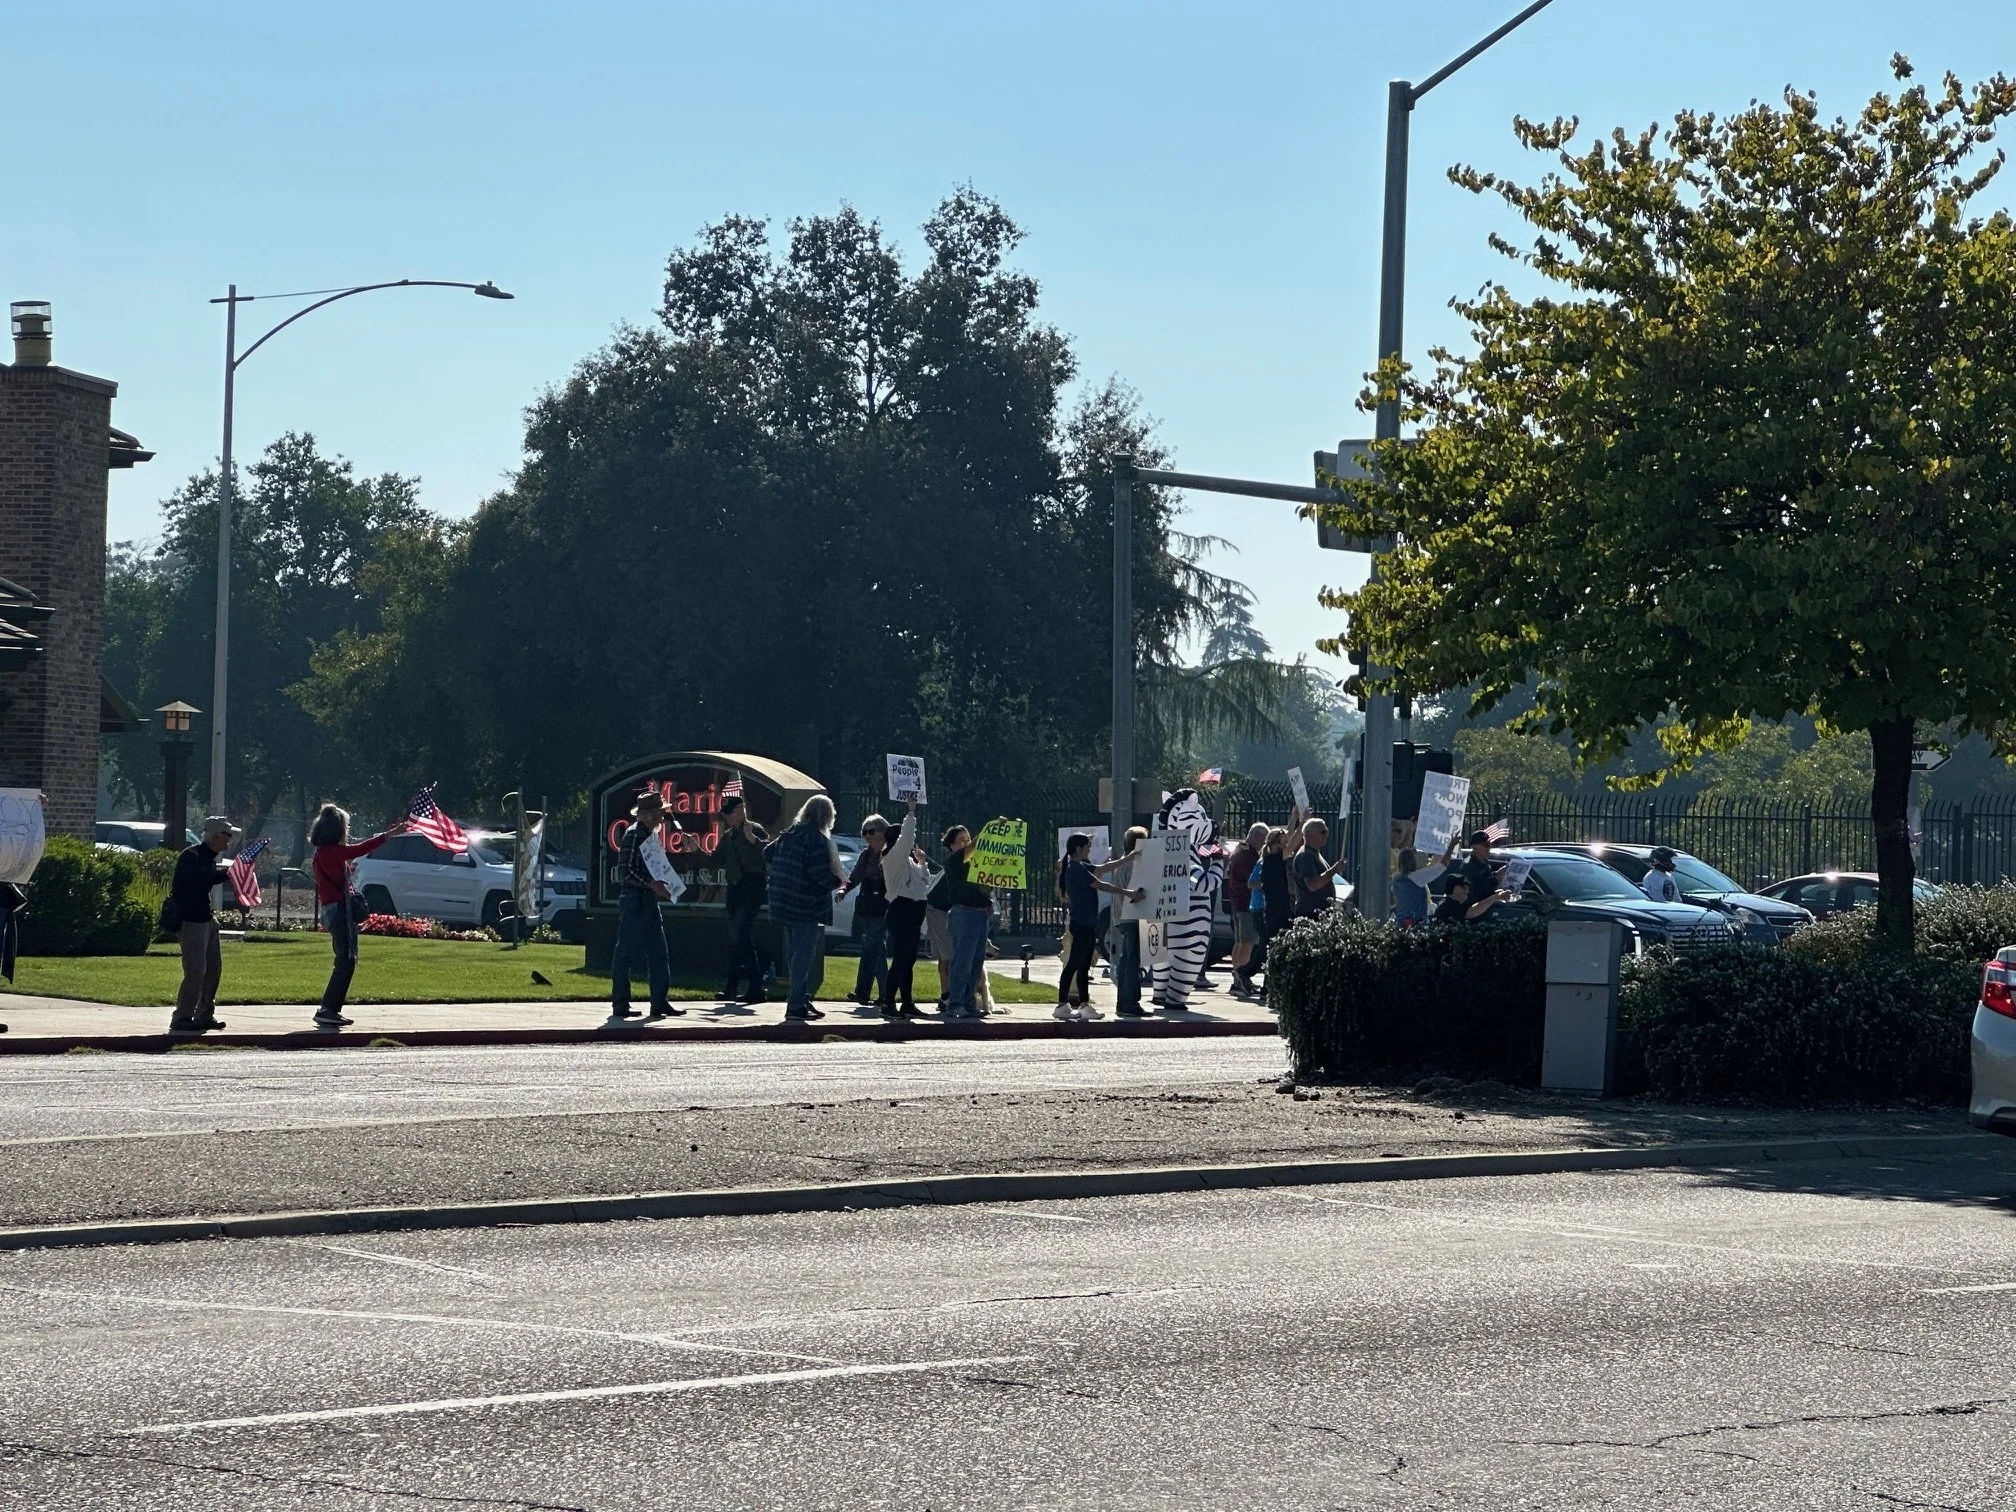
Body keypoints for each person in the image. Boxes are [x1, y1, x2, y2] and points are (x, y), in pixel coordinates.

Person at [308, 805, 407, 1031]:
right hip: (340, 910)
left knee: (345, 958)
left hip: (332, 910)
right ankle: (328, 1009)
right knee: (346, 959)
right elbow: (361, 848)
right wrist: (389, 835)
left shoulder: (321, 853)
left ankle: (331, 1009)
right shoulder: (333, 852)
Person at [765, 795, 846, 1023]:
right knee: (803, 955)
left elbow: (767, 853)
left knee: (794, 954)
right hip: (805, 905)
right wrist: (838, 881)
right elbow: (819, 875)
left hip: (782, 901)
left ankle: (800, 996)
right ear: (827, 817)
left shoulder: (789, 834)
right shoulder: (817, 840)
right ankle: (796, 1005)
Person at [609, 791, 681, 1023]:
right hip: (634, 900)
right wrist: (651, 883)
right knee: (626, 952)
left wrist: (661, 884)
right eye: (660, 813)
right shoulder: (633, 835)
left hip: (648, 899)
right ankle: (620, 1003)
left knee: (659, 952)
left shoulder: (648, 836)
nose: (662, 818)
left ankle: (659, 1002)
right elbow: (625, 872)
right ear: (648, 815)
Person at [1055, 834, 1143, 1020]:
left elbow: (1103, 869)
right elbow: (1100, 885)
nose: (1090, 849)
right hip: (1081, 923)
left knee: (1084, 965)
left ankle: (1084, 1005)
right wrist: (1127, 892)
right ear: (1078, 849)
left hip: (1086, 923)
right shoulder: (1074, 868)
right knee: (1074, 965)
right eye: (1087, 846)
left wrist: (1127, 858)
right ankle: (1062, 1005)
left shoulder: (1080, 865)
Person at [168, 816, 237, 1033]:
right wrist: (230, 873)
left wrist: (231, 872)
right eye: (227, 836)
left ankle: (205, 1014)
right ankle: (182, 1017)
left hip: (207, 919)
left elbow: (210, 878)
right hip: (191, 921)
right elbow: (202, 879)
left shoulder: (209, 857)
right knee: (196, 971)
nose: (230, 840)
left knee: (213, 970)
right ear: (215, 836)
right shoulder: (193, 856)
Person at [927, 829, 997, 1017]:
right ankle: (956, 1003)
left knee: (976, 963)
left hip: (980, 915)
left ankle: (969, 1003)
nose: (966, 843)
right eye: (961, 840)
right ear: (951, 844)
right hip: (964, 914)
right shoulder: (954, 861)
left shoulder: (975, 864)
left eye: (968, 839)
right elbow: (969, 852)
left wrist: (988, 902)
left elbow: (981, 888)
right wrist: (988, 832)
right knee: (962, 962)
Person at [878, 797, 932, 1019]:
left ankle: (907, 1002)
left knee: (909, 959)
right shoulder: (892, 858)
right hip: (902, 910)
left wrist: (922, 864)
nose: (910, 845)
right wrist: (911, 812)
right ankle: (888, 1002)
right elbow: (907, 837)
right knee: (900, 959)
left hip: (915, 909)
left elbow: (923, 884)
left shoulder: (908, 862)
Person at [718, 794, 769, 1004]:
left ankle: (750, 986)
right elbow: (715, 859)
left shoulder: (754, 830)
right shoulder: (728, 836)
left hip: (752, 887)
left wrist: (753, 840)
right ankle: (745, 987)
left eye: (730, 813)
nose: (727, 818)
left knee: (739, 934)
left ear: (740, 810)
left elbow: (768, 851)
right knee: (738, 938)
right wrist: (696, 849)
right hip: (735, 889)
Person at [839, 816, 891, 1007]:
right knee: (876, 949)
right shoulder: (866, 855)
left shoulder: (891, 853)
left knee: (871, 946)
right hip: (867, 905)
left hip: (884, 905)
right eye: (864, 832)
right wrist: (844, 890)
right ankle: (884, 993)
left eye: (871, 831)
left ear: (882, 832)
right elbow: (855, 877)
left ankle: (864, 992)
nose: (867, 836)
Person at [1099, 826, 1151, 1017]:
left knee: (1127, 959)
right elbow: (1135, 893)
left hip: (1122, 917)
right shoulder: (1135, 865)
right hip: (1132, 917)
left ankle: (1125, 1001)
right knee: (1131, 961)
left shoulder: (1122, 863)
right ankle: (1129, 1002)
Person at [1224, 822, 1267, 996]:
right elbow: (1253, 880)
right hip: (1246, 903)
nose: (1264, 844)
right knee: (1247, 944)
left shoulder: (1239, 851)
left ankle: (1237, 979)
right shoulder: (1248, 856)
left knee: (1240, 943)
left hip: (1237, 903)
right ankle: (1242, 979)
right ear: (1257, 836)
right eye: (1264, 839)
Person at [1291, 818, 1345, 919]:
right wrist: (1334, 870)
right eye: (1323, 832)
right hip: (1310, 913)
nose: (1326, 835)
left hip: (1319, 912)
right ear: (1309, 834)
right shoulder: (1306, 856)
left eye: (1327, 831)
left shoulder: (1314, 854)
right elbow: (1312, 885)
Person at [1433, 872, 1520, 923]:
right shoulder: (1448, 906)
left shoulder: (1456, 903)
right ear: (1455, 888)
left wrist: (1495, 896)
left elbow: (1476, 905)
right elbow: (1472, 912)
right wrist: (1495, 897)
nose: (1467, 891)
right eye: (1464, 887)